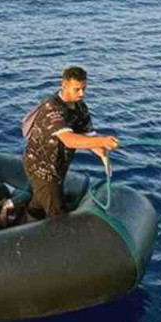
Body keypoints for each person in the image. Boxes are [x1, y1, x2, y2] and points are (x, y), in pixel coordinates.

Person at [22, 66, 119, 220]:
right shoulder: (52, 108)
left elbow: (89, 136)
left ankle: (25, 222)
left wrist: (103, 153)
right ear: (64, 85)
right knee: (58, 214)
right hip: (42, 169)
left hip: (59, 166)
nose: (82, 93)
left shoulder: (80, 107)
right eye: (77, 89)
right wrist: (103, 141)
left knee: (40, 202)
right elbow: (69, 139)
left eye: (84, 89)